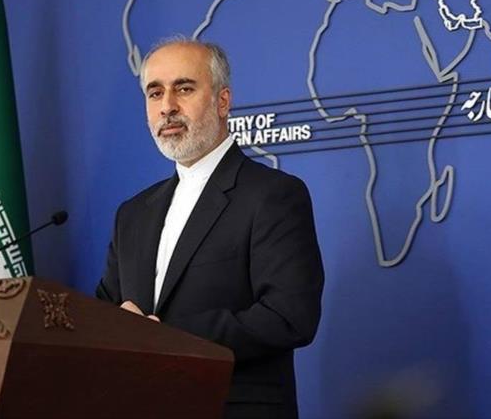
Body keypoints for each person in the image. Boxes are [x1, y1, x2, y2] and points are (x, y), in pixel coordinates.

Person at [96, 38, 324, 419]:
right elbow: (104, 313)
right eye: (155, 93)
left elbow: (290, 315)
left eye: (184, 88)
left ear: (222, 101)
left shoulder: (273, 195)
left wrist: (166, 337)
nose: (167, 106)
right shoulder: (132, 215)